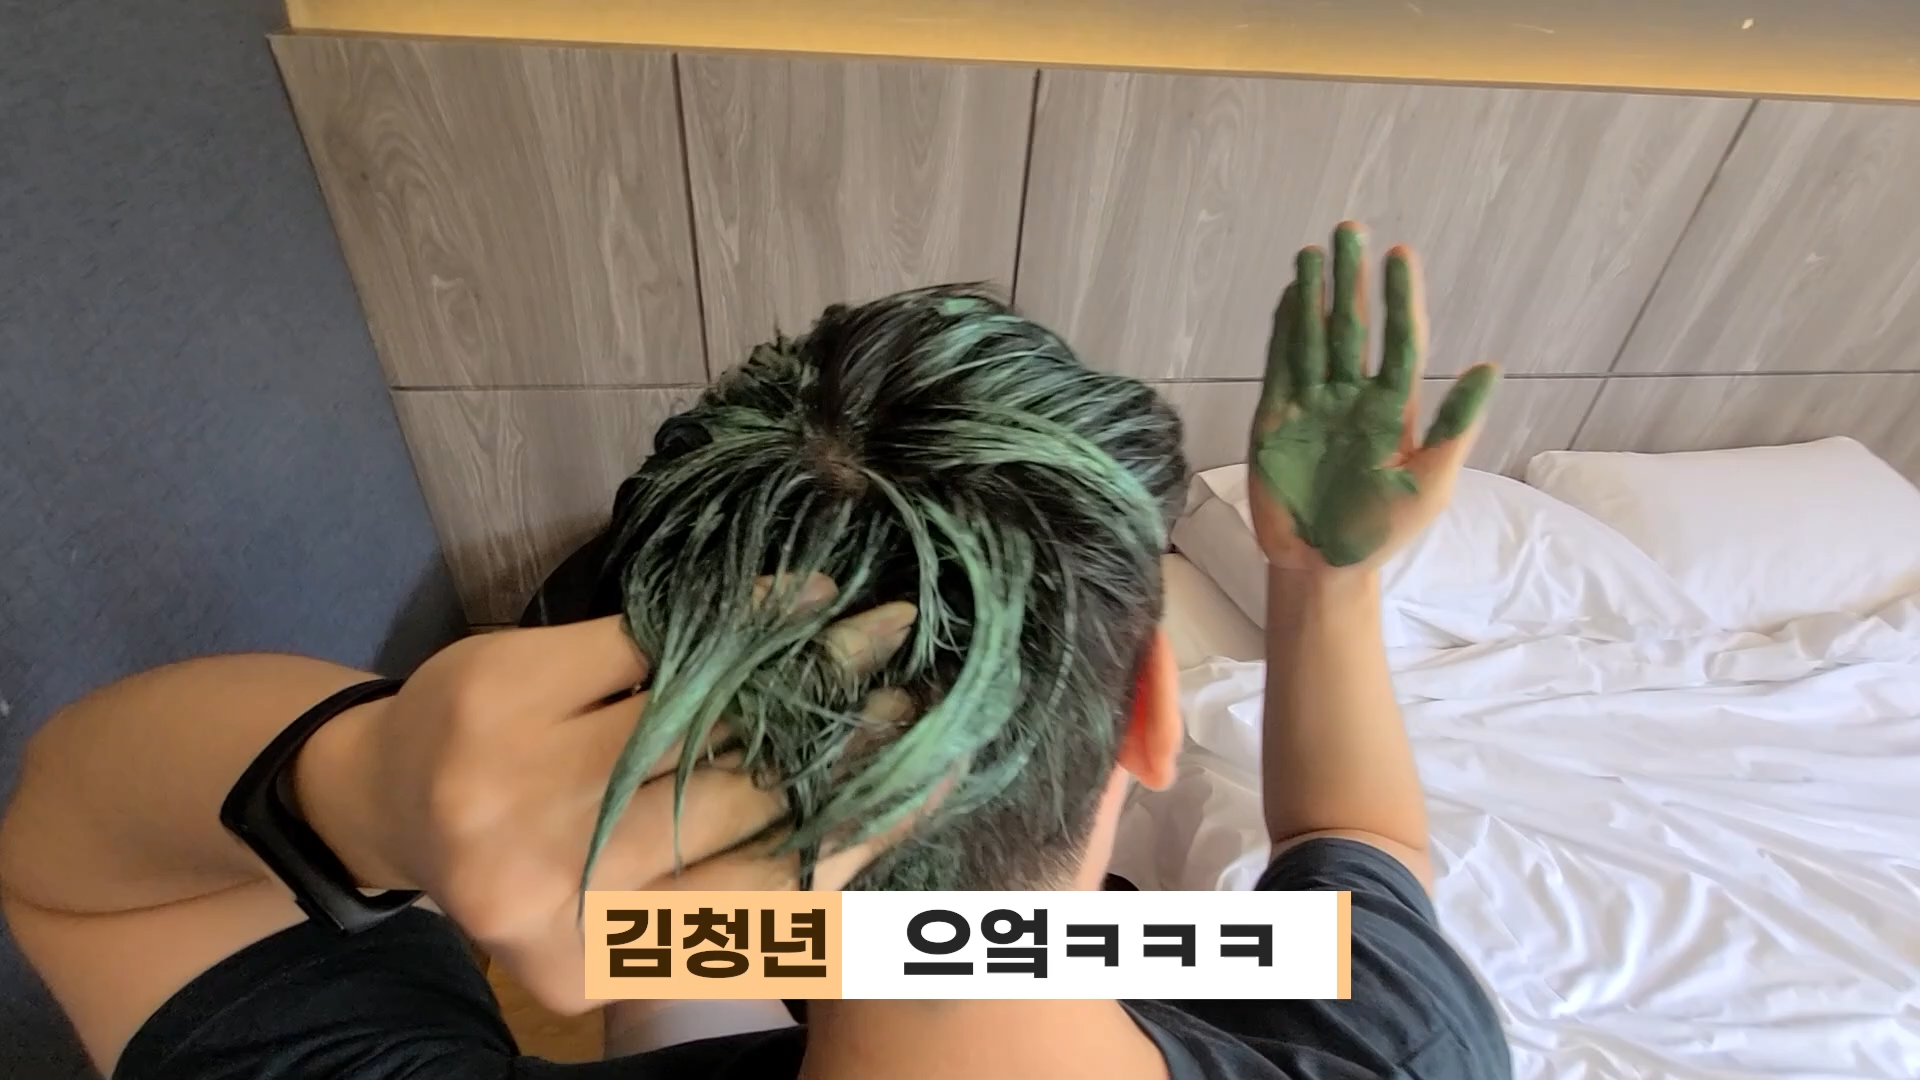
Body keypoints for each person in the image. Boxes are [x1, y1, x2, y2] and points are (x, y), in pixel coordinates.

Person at [0, 223, 1510, 1080]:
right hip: (997, 949)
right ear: (1149, 714)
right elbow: (1364, 845)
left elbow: (84, 873)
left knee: (686, 966)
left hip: (824, 945)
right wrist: (1324, 590)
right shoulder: (1401, 1049)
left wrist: (370, 781)